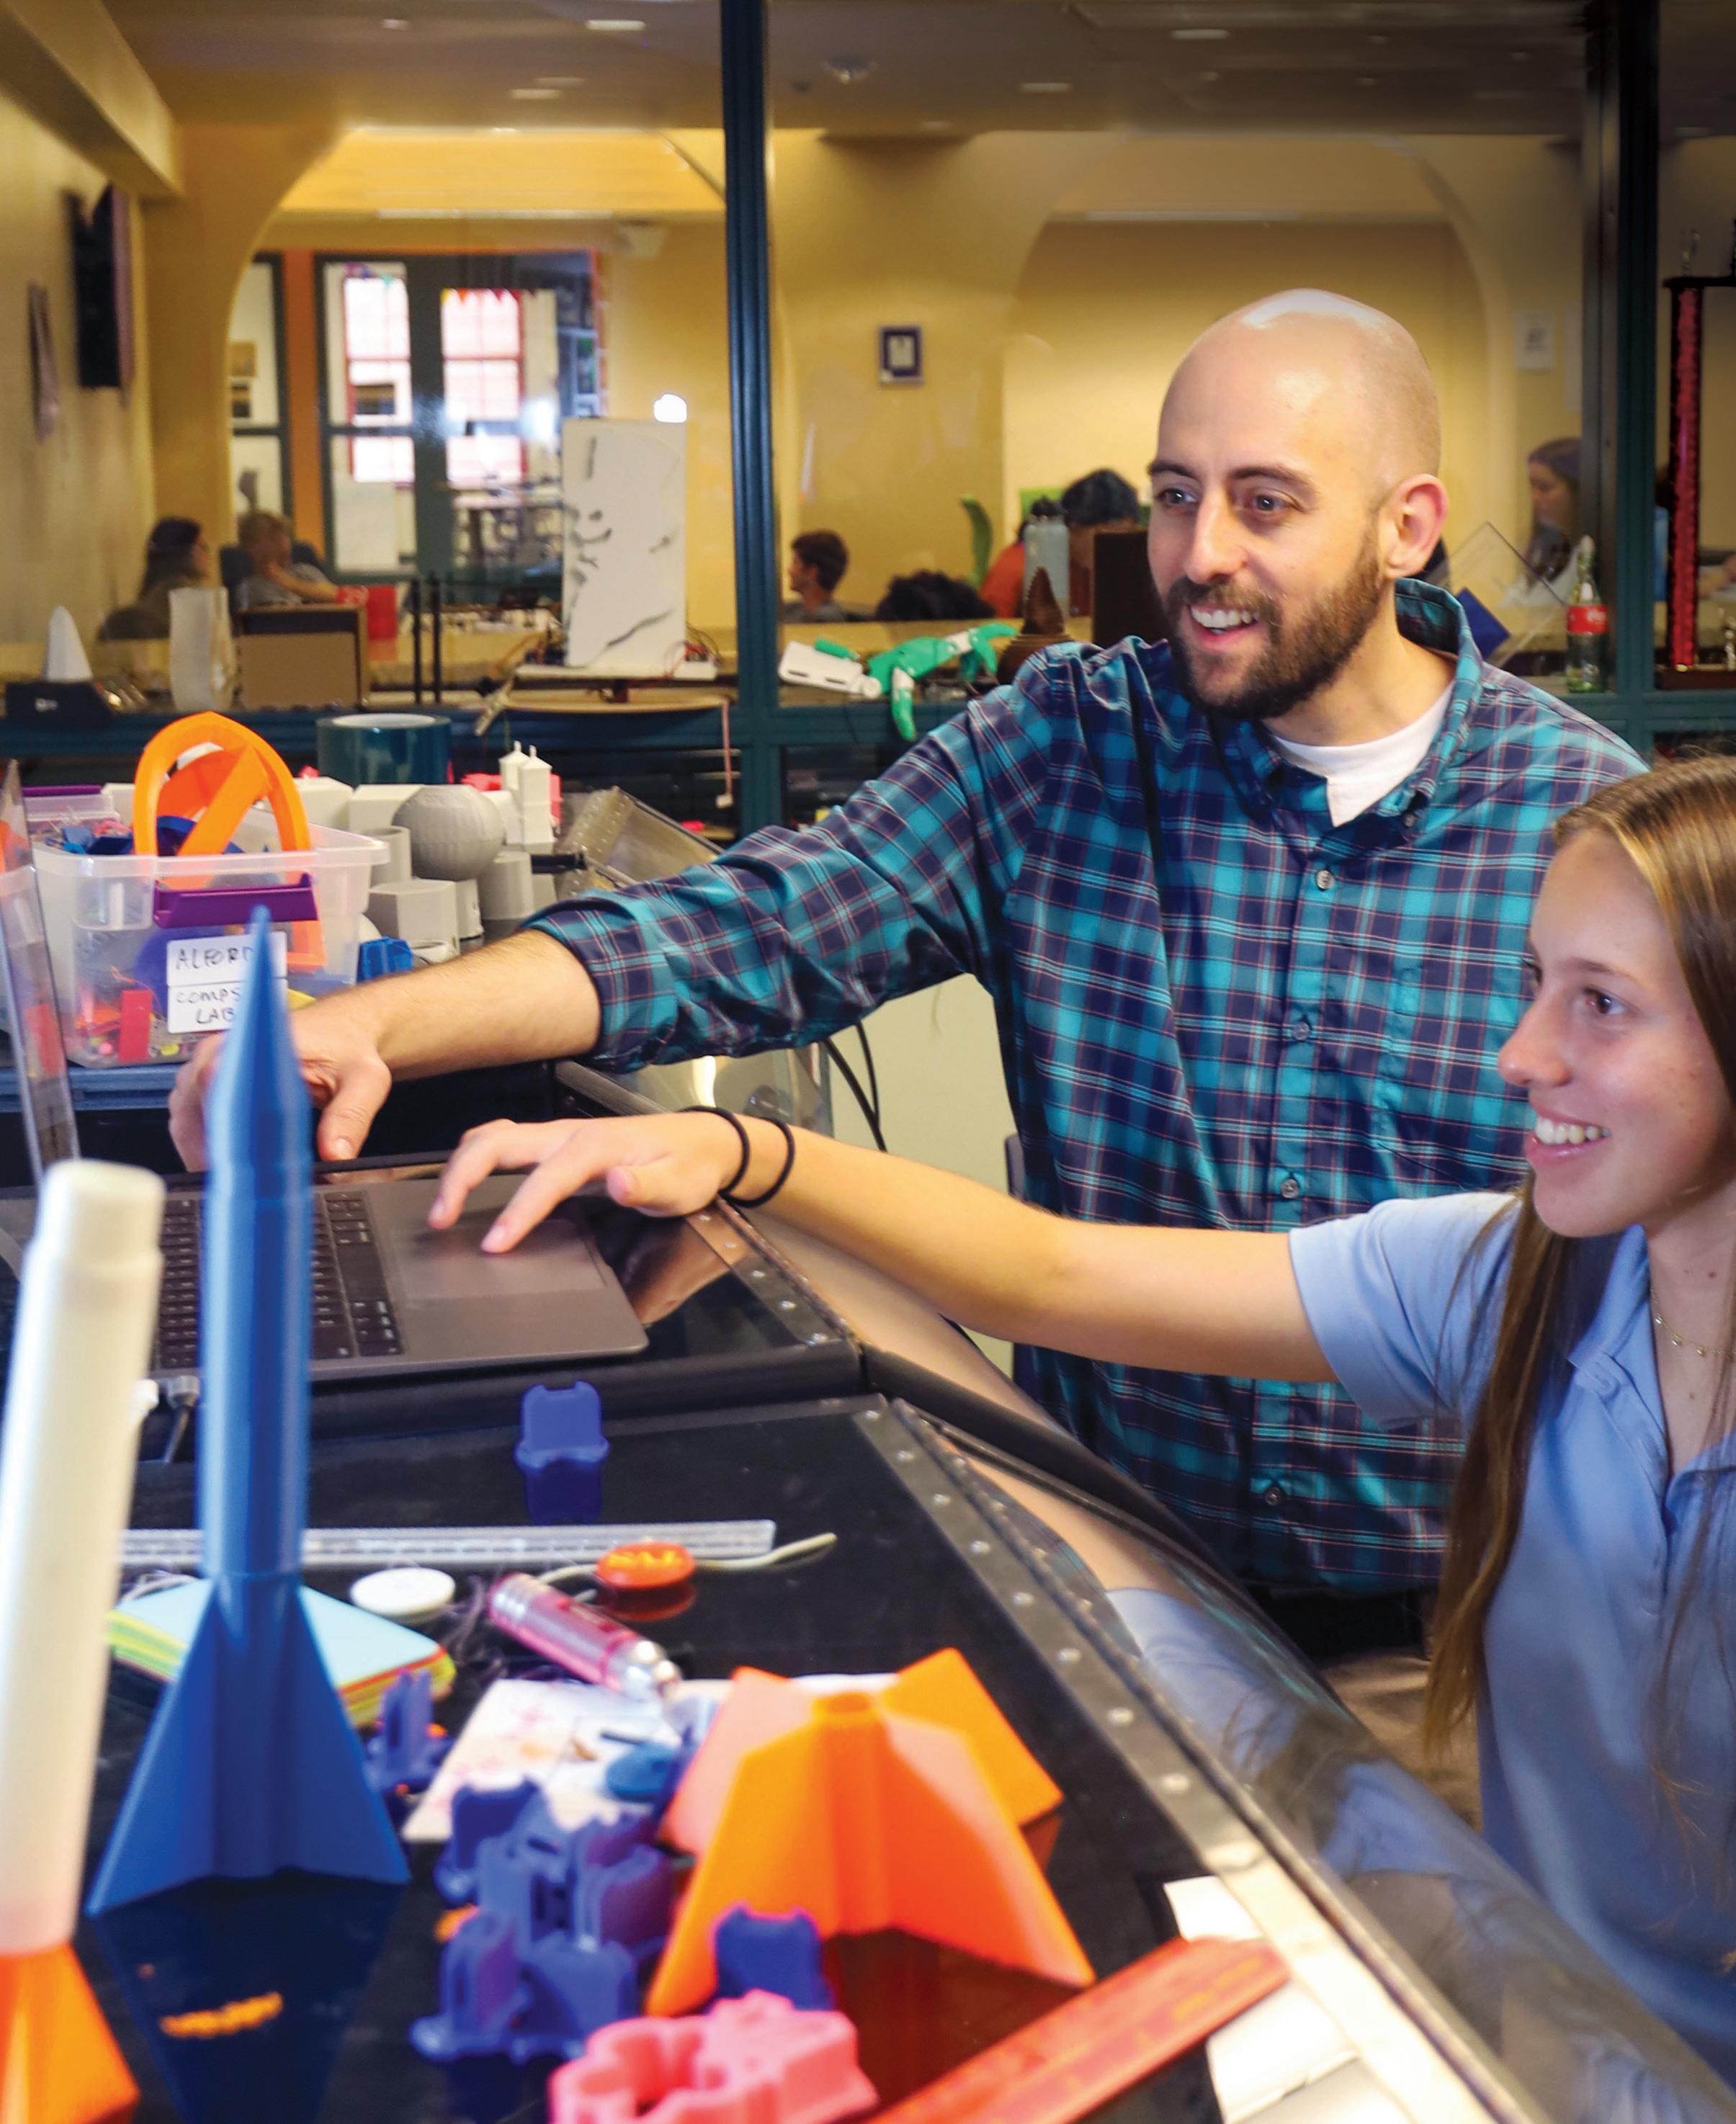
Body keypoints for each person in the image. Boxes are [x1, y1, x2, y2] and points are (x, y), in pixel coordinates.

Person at [426, 752, 1736, 2123]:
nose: (1519, 1052)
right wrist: (745, 1166)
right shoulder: (1527, 1289)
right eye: (1536, 987)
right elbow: (1067, 1273)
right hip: (1503, 2055)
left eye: (1599, 1006)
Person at [169, 289, 1639, 1682]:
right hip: (1115, 1573)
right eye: (1175, 493)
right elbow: (760, 925)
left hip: (1464, 1644)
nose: (1197, 554)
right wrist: (369, 1020)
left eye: (1266, 503)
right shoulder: (1068, 746)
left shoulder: (1588, 830)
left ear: (1407, 528)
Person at [979, 467, 1142, 619]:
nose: (1117, 550)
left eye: (1126, 536)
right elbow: (987, 629)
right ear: (1073, 528)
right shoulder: (1019, 566)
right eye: (1107, 537)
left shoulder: (1114, 569)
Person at [98, 517, 211, 641]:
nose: (209, 556)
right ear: (194, 552)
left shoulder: (118, 623)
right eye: (205, 548)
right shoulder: (203, 619)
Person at [231, 509, 342, 611]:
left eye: (285, 536)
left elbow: (339, 597)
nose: (284, 544)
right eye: (274, 538)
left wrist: (290, 583)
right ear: (252, 547)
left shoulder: (305, 571)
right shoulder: (249, 588)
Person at [1521, 436, 1579, 583]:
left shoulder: (1585, 554)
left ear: (1576, 491)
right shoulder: (1542, 550)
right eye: (1532, 487)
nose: (1535, 498)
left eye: (1544, 488)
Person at [781, 529, 854, 620]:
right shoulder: (789, 610)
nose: (790, 570)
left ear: (812, 572)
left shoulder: (826, 620)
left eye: (795, 563)